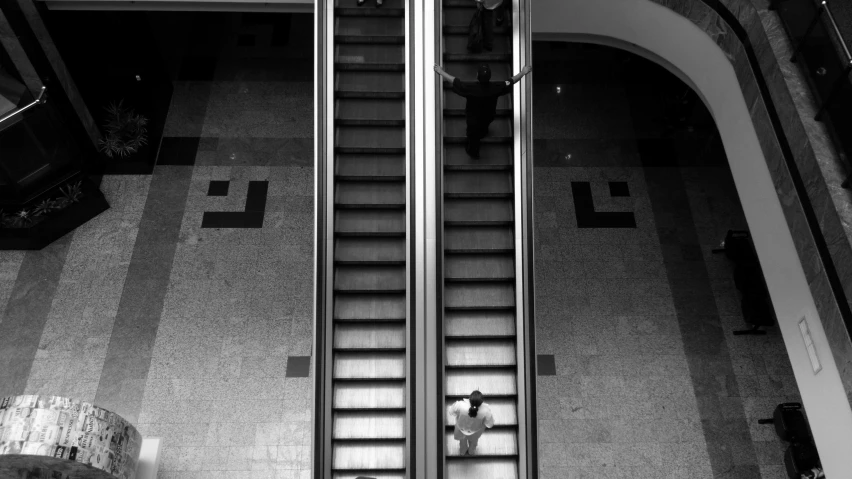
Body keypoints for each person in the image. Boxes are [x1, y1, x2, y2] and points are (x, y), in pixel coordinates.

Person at [434, 62, 532, 158]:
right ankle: (483, 133)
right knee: (484, 127)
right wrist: (523, 72)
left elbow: (455, 81)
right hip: (488, 116)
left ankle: (473, 152)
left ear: (477, 75)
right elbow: (511, 81)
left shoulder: (471, 88)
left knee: (473, 137)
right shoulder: (496, 87)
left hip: (473, 120)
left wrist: (440, 72)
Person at [448, 390, 494, 455]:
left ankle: (462, 451)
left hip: (461, 429)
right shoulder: (486, 411)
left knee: (462, 441)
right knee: (474, 442)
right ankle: (471, 451)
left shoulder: (460, 405)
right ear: (481, 402)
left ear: (470, 398)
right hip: (475, 431)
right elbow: (489, 424)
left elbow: (451, 411)